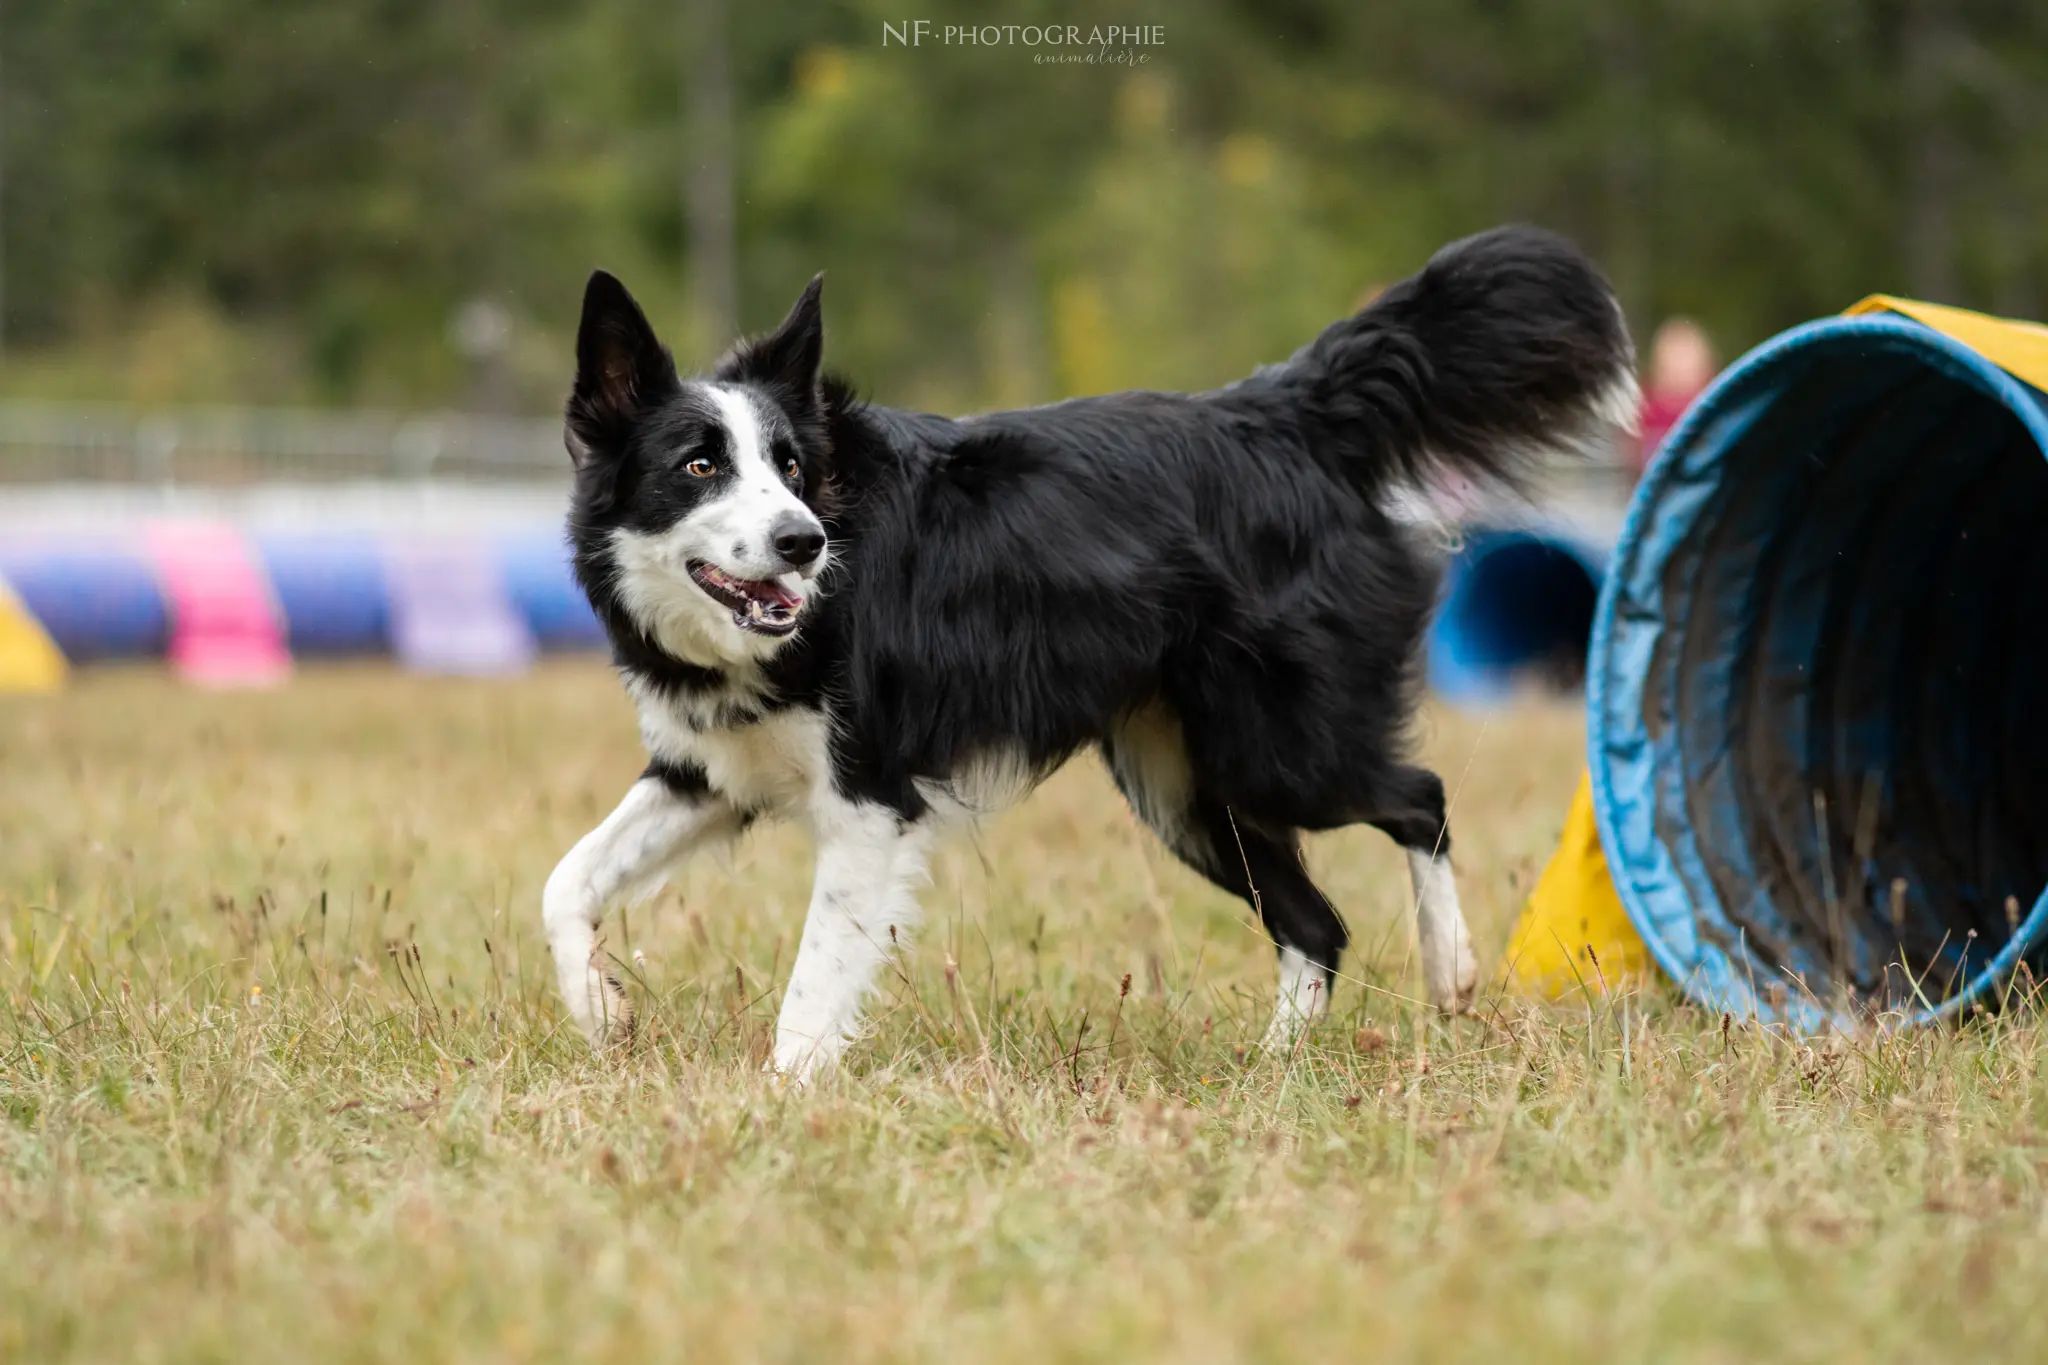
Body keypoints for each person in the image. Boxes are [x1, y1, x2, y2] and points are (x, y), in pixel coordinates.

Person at [1633, 317, 1717, 477]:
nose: (1679, 369)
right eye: (1673, 361)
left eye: (1686, 361)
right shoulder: (1646, 408)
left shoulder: (1710, 402)